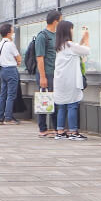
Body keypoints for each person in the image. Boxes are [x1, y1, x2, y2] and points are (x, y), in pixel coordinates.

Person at [52, 20, 90, 140]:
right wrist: (87, 38)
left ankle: (60, 131)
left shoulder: (60, 46)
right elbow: (86, 51)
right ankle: (73, 132)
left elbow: (76, 50)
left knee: (62, 105)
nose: (73, 31)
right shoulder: (69, 45)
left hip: (60, 82)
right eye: (72, 29)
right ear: (68, 30)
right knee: (72, 104)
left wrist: (82, 41)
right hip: (70, 81)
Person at [34, 10, 61, 138]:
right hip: (46, 73)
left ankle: (56, 128)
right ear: (56, 21)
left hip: (55, 74)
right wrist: (43, 76)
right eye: (60, 20)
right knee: (44, 100)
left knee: (55, 101)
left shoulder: (56, 35)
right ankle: (43, 129)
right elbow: (40, 57)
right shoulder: (42, 36)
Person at [0, 22, 22, 125]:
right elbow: (19, 58)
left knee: (2, 95)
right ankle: (8, 118)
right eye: (12, 29)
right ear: (9, 32)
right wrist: (18, 62)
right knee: (11, 95)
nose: (13, 31)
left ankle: (0, 118)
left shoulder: (0, 44)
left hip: (2, 71)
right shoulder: (10, 44)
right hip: (11, 70)